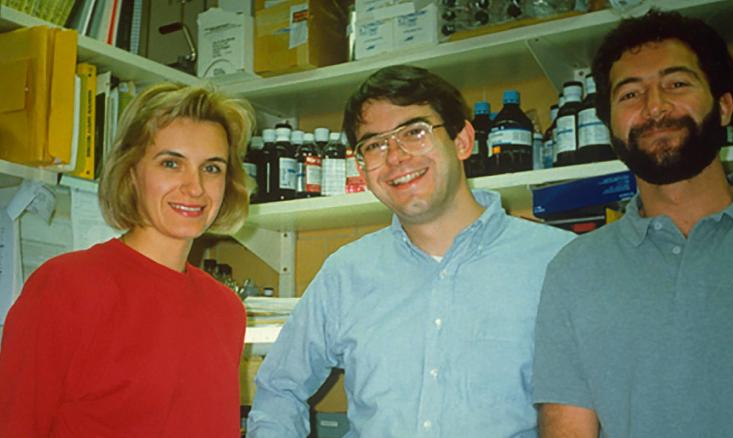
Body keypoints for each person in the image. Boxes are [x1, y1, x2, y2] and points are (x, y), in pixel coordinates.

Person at [247, 65, 574, 437]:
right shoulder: (345, 273)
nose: (395, 157)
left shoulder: (557, 261)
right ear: (362, 167)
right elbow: (279, 388)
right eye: (374, 144)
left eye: (414, 132)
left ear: (463, 141)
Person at [532, 10, 733, 438]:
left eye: (677, 84)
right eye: (630, 94)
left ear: (724, 106)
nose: (655, 107)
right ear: (609, 123)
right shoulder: (573, 270)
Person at [0, 83, 255, 437]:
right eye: (171, 163)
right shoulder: (66, 286)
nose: (195, 187)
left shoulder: (226, 309)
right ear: (132, 171)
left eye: (212, 168)